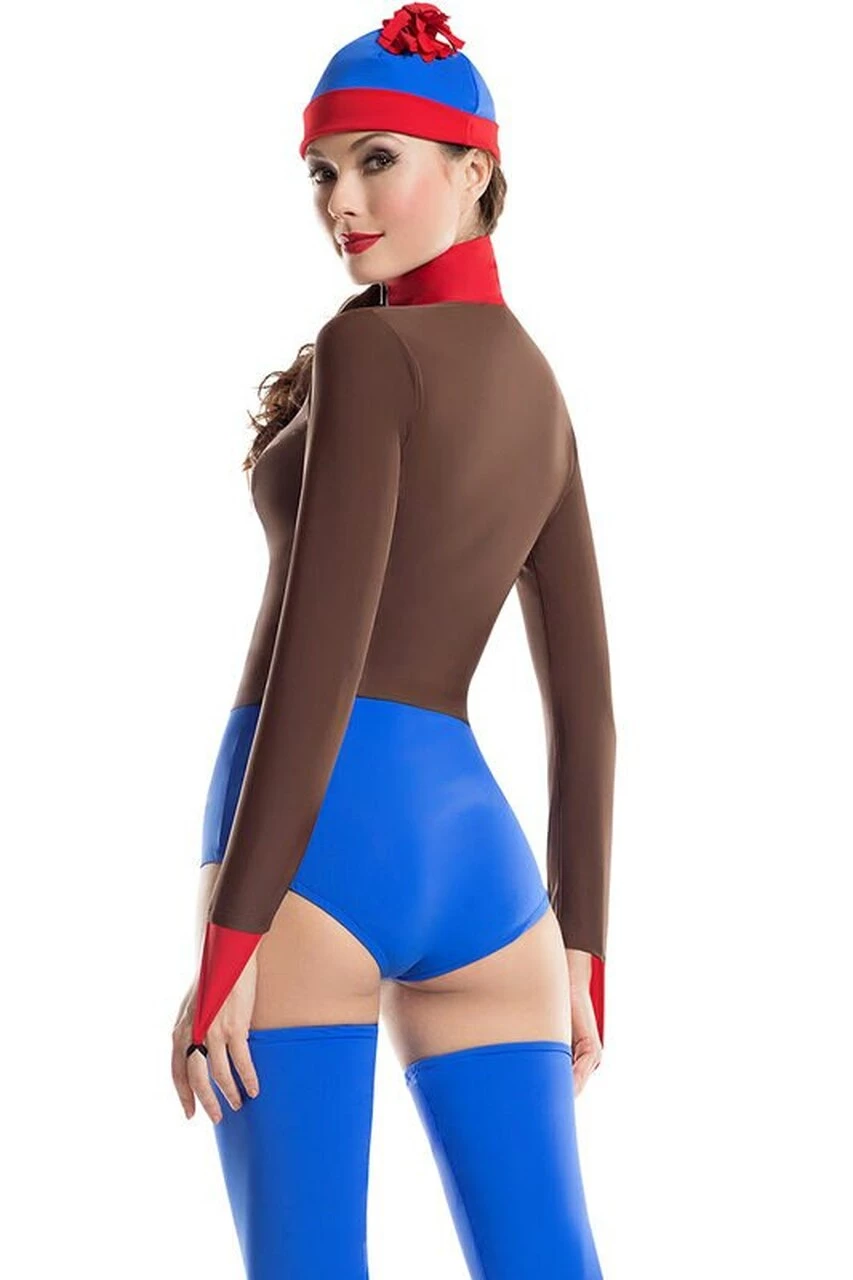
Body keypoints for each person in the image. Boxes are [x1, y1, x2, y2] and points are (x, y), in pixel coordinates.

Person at [171, 5, 616, 1276]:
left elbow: (321, 646)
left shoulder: (365, 350)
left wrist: (231, 935)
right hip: (484, 867)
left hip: (315, 842)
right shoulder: (540, 388)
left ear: (474, 170)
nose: (342, 202)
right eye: (323, 170)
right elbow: (586, 702)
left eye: (378, 160)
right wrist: (581, 942)